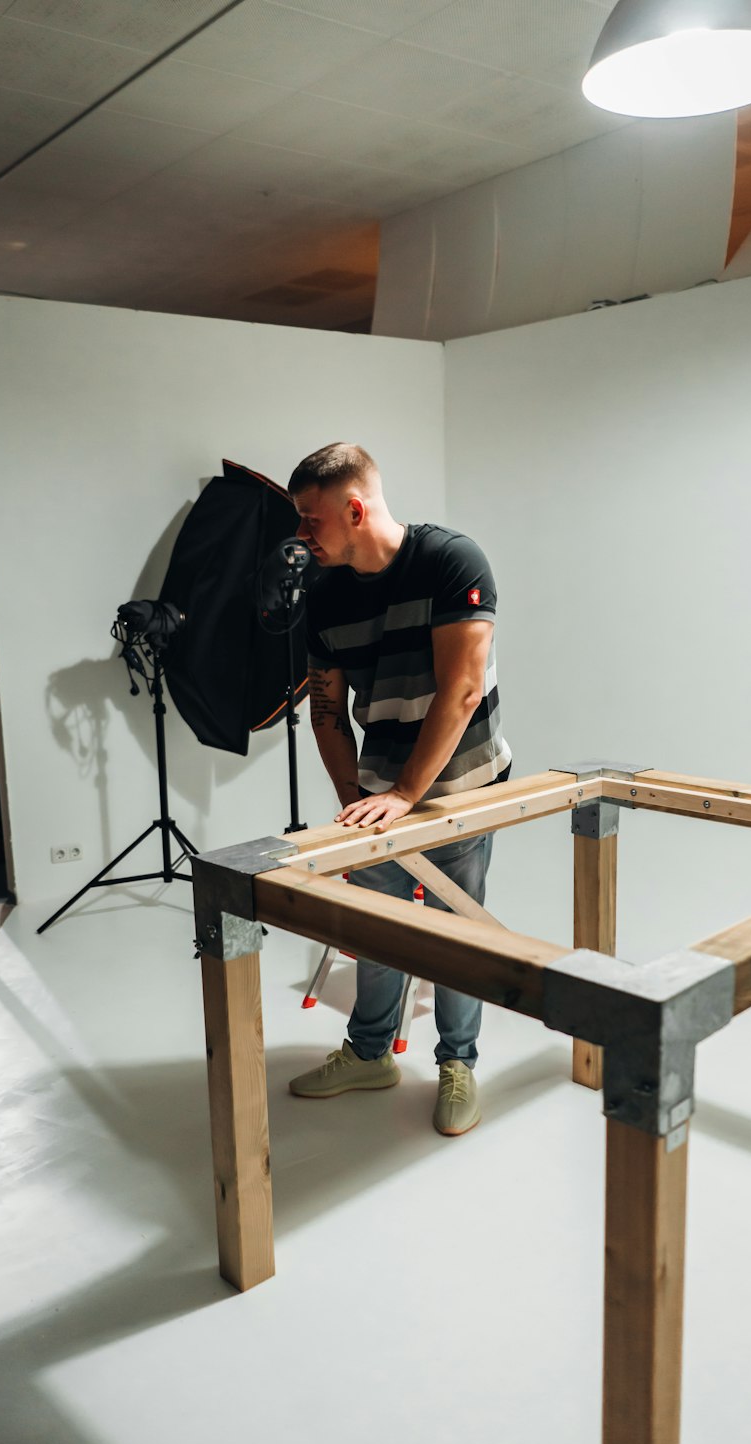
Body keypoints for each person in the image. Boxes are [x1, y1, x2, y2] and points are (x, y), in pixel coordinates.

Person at [286, 443, 511, 1136]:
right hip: (383, 789)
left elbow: (464, 689)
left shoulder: (451, 561)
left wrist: (409, 795)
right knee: (376, 928)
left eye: (309, 518)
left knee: (454, 929)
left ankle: (458, 1062)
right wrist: (357, 794)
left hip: (462, 786)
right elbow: (325, 711)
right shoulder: (322, 596)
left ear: (354, 508)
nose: (301, 535)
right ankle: (370, 1053)